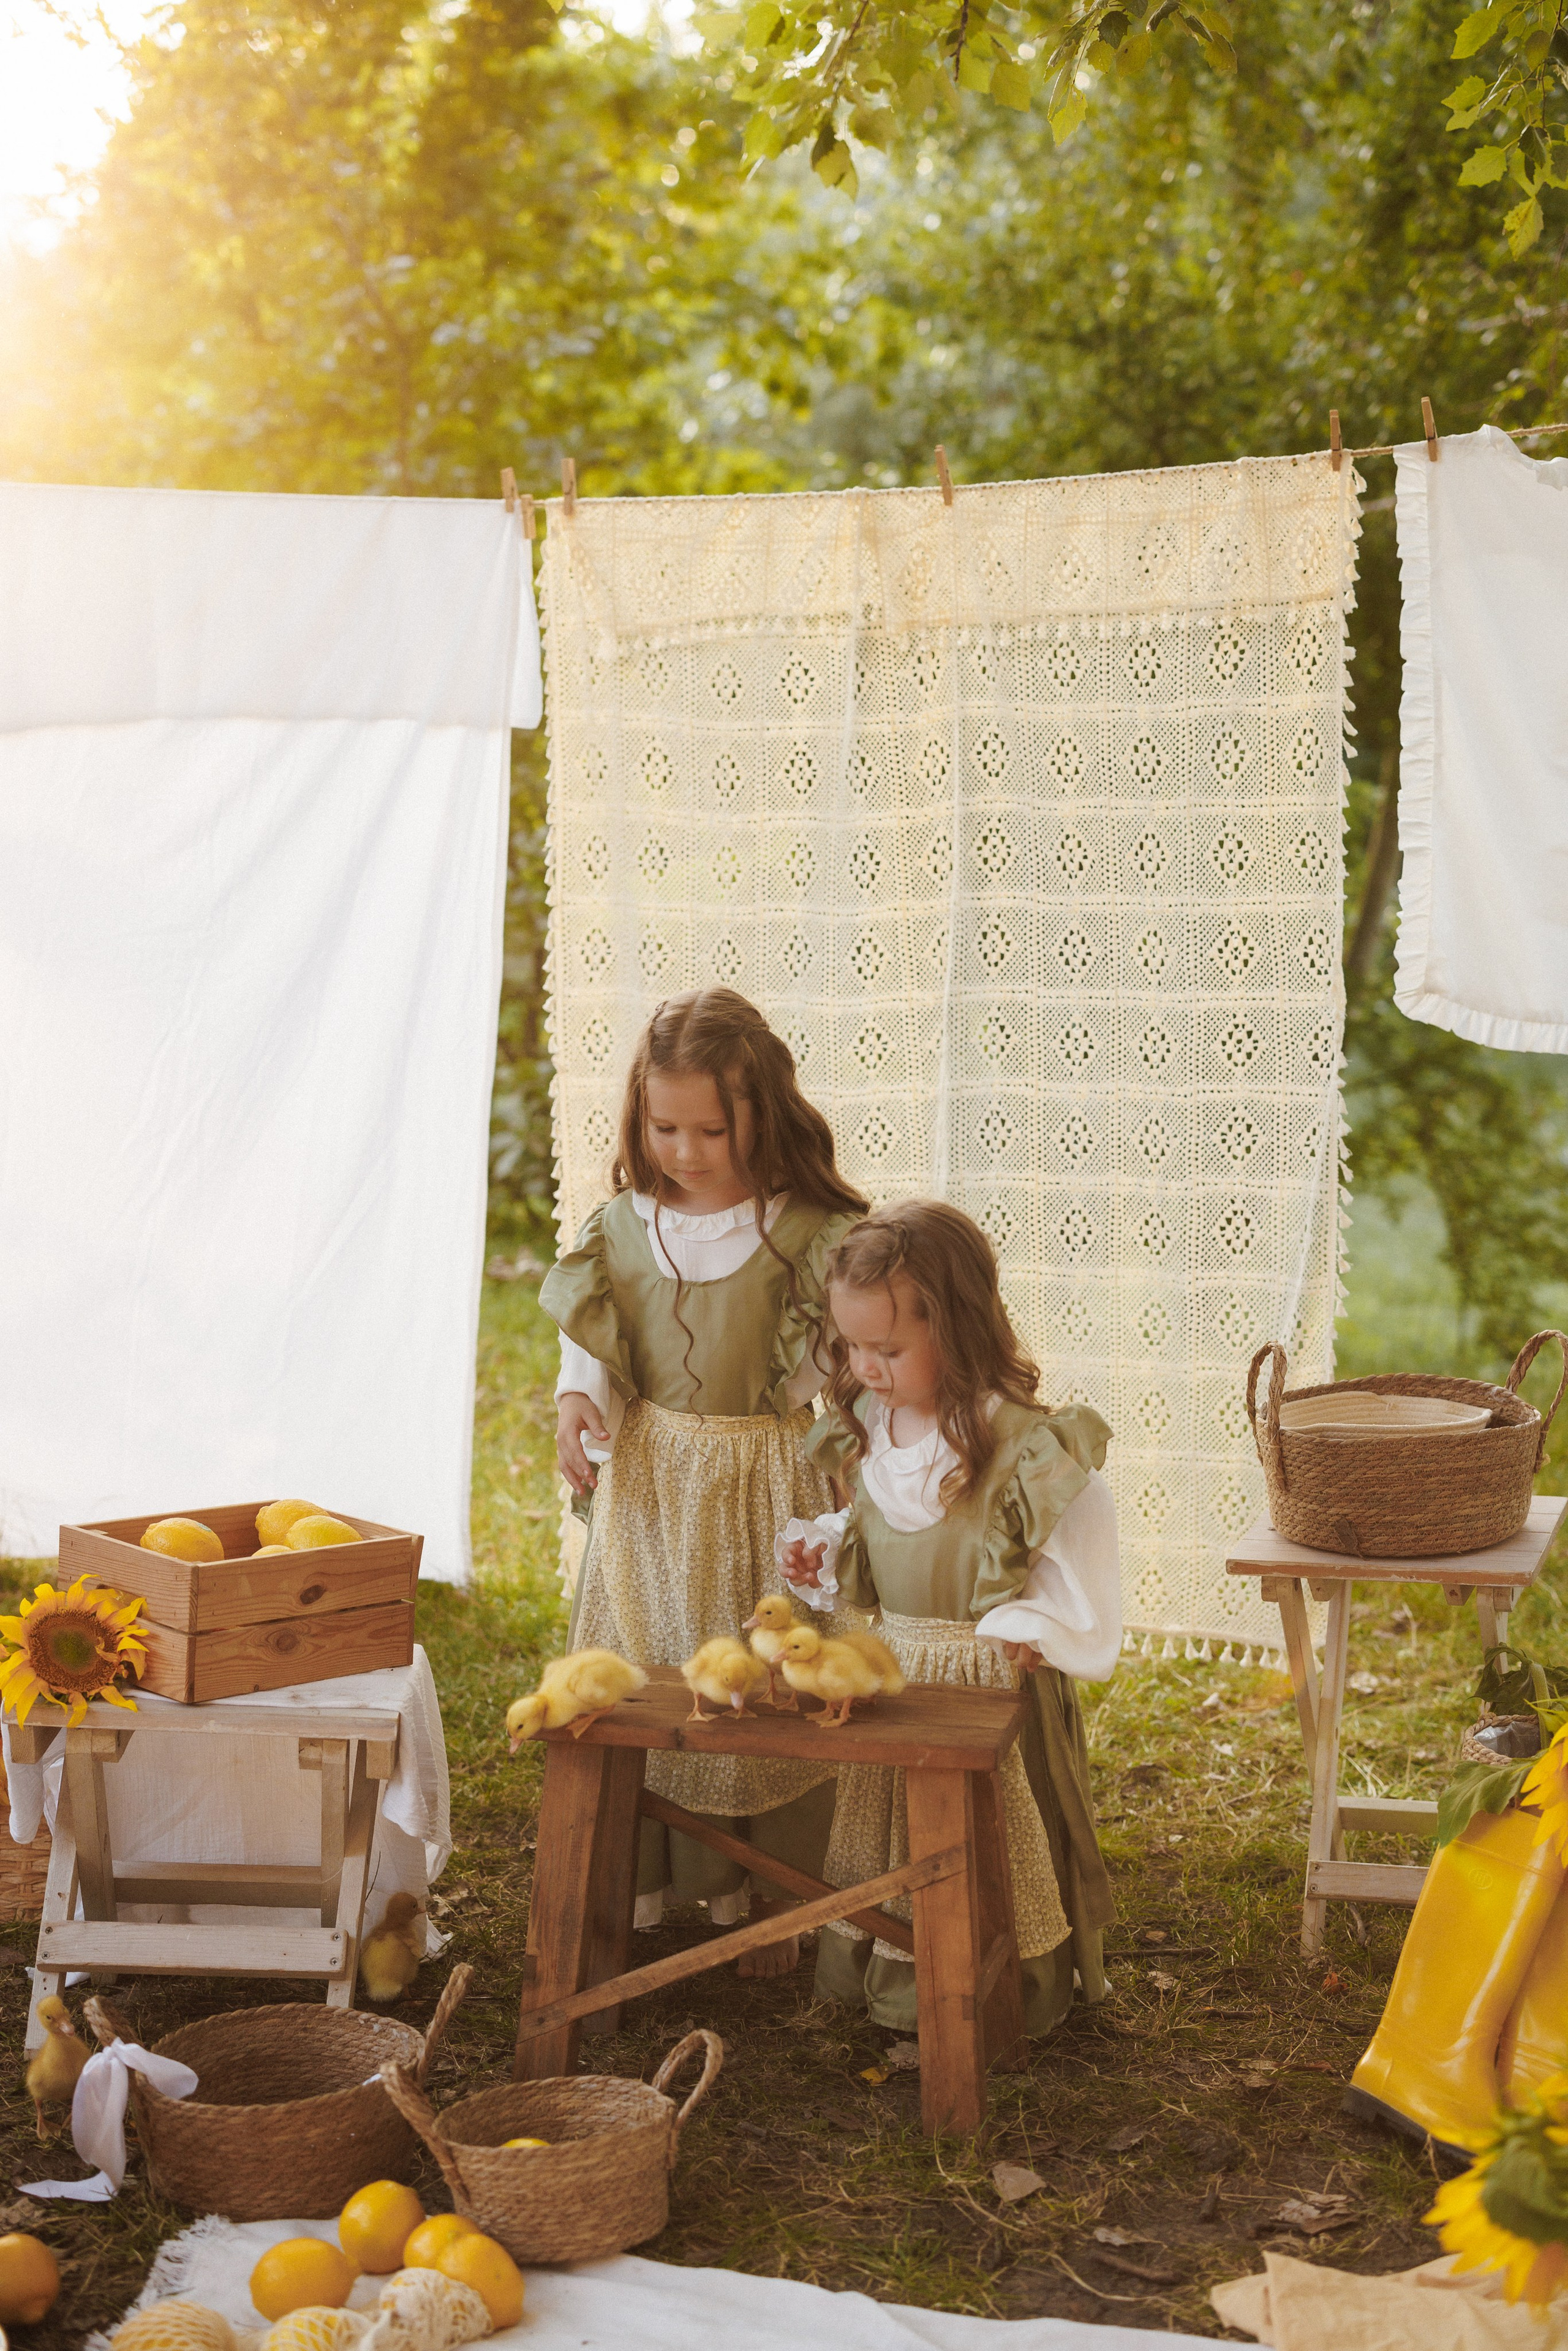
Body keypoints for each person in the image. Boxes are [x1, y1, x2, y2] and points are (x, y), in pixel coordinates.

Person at [540, 987, 867, 1976]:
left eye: (711, 1130)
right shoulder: (622, 1227)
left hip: (765, 1477)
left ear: (763, 1111)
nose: (685, 1151)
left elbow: (851, 1359)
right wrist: (577, 1398)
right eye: (664, 1127)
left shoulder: (805, 1230)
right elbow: (594, 1338)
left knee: (759, 1666)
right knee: (655, 1655)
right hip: (653, 1484)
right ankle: (652, 1878)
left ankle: (771, 1888)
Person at [778, 1198, 1120, 2034]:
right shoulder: (869, 1424)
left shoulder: (1021, 1443)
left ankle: (990, 1985)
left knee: (985, 1844)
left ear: (959, 1327)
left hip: (982, 1681)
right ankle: (887, 1968)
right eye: (852, 1346)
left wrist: (1038, 1626)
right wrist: (828, 1552)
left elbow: (1082, 1546)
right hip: (897, 1671)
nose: (866, 1367)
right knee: (889, 1829)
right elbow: (880, 1531)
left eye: (889, 1349)